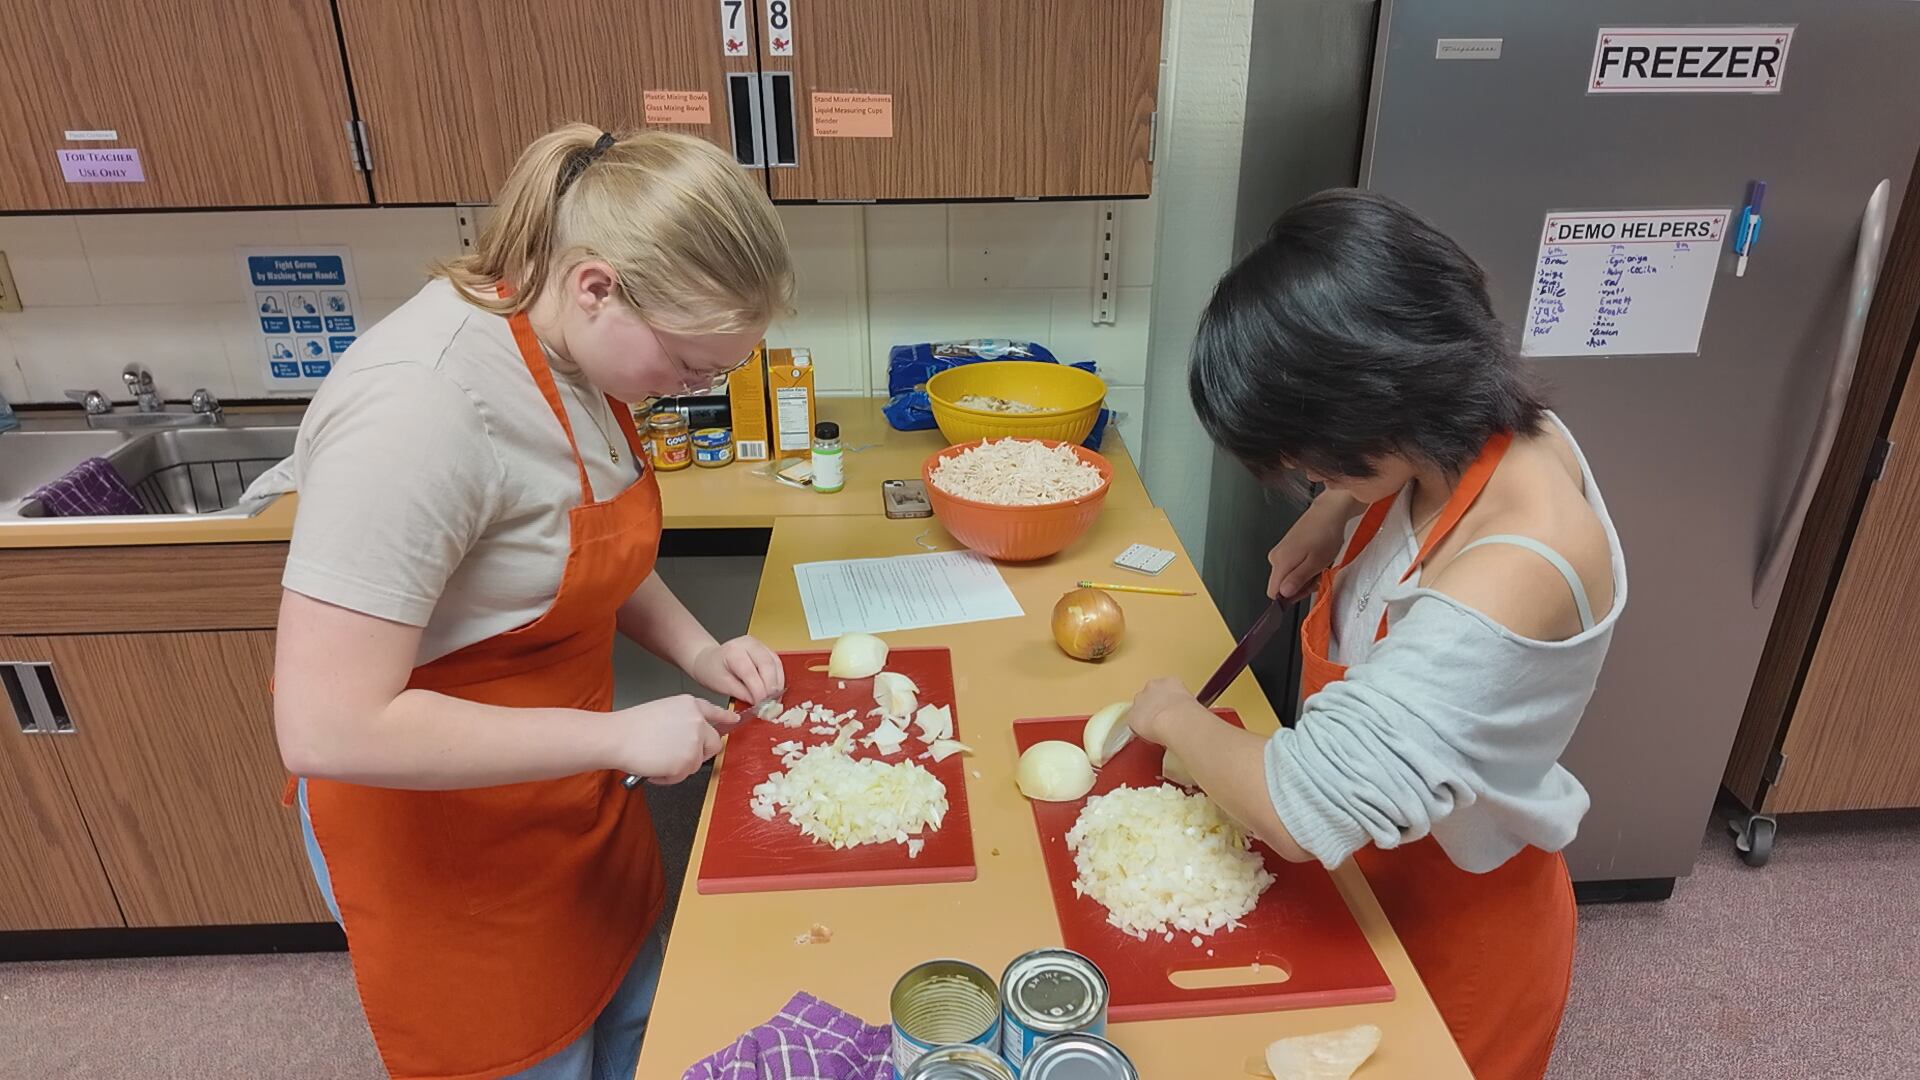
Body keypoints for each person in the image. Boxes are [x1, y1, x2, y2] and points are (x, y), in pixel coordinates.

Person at [263, 124, 795, 1080]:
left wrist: (698, 652)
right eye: (691, 366)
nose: (695, 389)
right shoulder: (420, 409)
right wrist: (618, 738)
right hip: (447, 844)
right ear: (597, 286)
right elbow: (326, 727)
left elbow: (587, 548)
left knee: (633, 1028)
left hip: (569, 801)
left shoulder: (573, 352)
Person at [1127, 189, 1626, 1078]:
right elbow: (1404, 474)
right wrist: (1337, 507)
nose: (1300, 473)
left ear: (1377, 397)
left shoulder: (1518, 564)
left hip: (1455, 925)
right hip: (1363, 877)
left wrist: (1172, 716)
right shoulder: (1469, 428)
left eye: (1306, 455)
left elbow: (1297, 803)